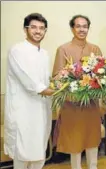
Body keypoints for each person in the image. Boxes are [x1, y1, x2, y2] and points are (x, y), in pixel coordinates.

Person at [52, 15, 104, 169]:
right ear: (72, 28)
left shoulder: (95, 49)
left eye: (85, 26)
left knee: (92, 140)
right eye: (78, 26)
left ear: (88, 28)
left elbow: (103, 74)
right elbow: (57, 76)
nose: (82, 29)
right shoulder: (63, 49)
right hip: (72, 104)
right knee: (74, 142)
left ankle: (93, 166)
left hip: (91, 105)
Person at [4, 13, 55, 169]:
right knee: (23, 154)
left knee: (39, 153)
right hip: (23, 111)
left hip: (41, 109)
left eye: (41, 28)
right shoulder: (17, 50)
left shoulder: (44, 53)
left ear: (45, 31)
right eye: (33, 27)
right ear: (25, 29)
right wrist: (60, 91)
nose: (38, 31)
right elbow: (31, 83)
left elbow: (45, 80)